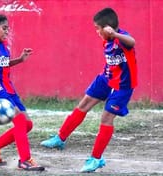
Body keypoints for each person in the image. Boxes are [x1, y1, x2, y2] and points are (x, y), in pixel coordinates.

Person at [40, 7, 137, 173]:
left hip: (122, 85)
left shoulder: (121, 39)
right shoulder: (106, 40)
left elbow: (132, 42)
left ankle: (96, 159)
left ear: (108, 28)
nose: (96, 31)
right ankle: (60, 138)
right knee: (84, 103)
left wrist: (115, 34)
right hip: (106, 77)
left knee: (106, 118)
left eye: (98, 28)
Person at [0, 14, 45, 171]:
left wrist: (20, 59)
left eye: (8, 28)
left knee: (27, 124)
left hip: (8, 89)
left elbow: (3, 64)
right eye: (4, 28)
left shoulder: (4, 45)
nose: (7, 31)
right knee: (19, 120)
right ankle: (25, 160)